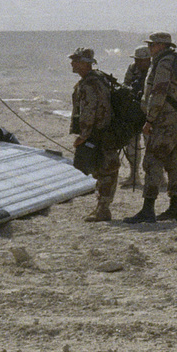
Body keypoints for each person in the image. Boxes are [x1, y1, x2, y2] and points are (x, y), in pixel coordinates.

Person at [128, 32, 177, 223]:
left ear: (162, 45)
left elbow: (159, 92)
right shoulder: (173, 61)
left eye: (152, 45)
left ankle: (148, 209)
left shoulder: (163, 63)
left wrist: (150, 119)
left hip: (163, 120)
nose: (150, 48)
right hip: (175, 120)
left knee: (153, 161)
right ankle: (174, 208)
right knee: (174, 162)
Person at [69, 47, 119, 222]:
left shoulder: (89, 84)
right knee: (104, 170)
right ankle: (102, 208)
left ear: (85, 63)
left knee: (104, 171)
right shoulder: (98, 79)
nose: (72, 64)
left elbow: (88, 111)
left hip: (98, 134)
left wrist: (83, 135)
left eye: (76, 60)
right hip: (103, 132)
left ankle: (103, 209)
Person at [120, 45, 151, 188]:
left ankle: (156, 176)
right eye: (137, 60)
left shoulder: (157, 69)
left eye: (141, 60)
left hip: (151, 112)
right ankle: (134, 175)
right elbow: (125, 86)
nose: (138, 63)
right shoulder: (133, 69)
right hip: (134, 112)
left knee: (151, 145)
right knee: (132, 146)